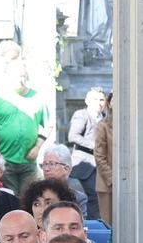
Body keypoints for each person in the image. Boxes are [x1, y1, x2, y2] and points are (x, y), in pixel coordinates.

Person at [0, 59, 51, 197]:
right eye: (16, 76)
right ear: (8, 76)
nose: (20, 80)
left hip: (29, 160)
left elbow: (48, 125)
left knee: (28, 198)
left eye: (22, 75)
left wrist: (37, 147)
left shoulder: (38, 97)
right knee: (9, 198)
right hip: (5, 159)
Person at [68, 87, 103, 220]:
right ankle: (89, 225)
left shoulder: (105, 118)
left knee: (99, 197)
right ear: (87, 101)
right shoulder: (81, 115)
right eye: (95, 99)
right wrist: (93, 145)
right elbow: (73, 136)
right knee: (92, 196)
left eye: (101, 100)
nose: (98, 103)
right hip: (84, 164)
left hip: (100, 165)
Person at [40, 144, 88, 217]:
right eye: (44, 164)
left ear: (66, 168)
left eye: (52, 164)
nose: (46, 169)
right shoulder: (35, 195)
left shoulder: (78, 199)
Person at [94, 91, 113, 224]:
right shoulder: (103, 125)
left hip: (130, 184)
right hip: (107, 184)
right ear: (109, 104)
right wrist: (113, 179)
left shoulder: (133, 125)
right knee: (109, 224)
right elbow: (99, 156)